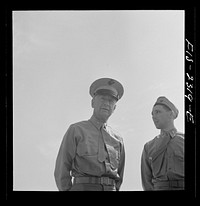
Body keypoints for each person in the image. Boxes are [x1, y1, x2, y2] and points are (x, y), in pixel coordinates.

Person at [54, 78, 125, 191]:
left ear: (114, 108)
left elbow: (120, 175)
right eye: (102, 99)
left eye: (111, 101)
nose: (106, 103)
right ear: (92, 103)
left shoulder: (118, 139)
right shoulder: (76, 130)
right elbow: (62, 169)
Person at [141, 96, 184, 191]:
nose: (153, 116)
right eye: (152, 114)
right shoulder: (149, 146)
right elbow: (146, 181)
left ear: (171, 114)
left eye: (158, 112)